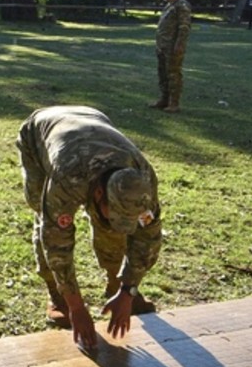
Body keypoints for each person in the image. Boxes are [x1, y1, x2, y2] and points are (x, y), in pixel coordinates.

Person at [16, 106, 162, 354]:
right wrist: (76, 306)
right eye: (112, 210)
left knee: (114, 230)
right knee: (44, 216)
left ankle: (114, 283)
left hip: (91, 121)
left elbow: (148, 240)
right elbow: (56, 242)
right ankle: (56, 295)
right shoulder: (67, 178)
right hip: (40, 135)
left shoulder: (142, 180)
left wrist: (128, 290)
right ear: (97, 195)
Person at [151, 0, 192, 111]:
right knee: (162, 73)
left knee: (173, 74)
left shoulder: (182, 6)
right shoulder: (170, 5)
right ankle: (164, 99)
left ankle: (174, 103)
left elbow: (184, 27)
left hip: (173, 47)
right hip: (163, 46)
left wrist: (179, 44)